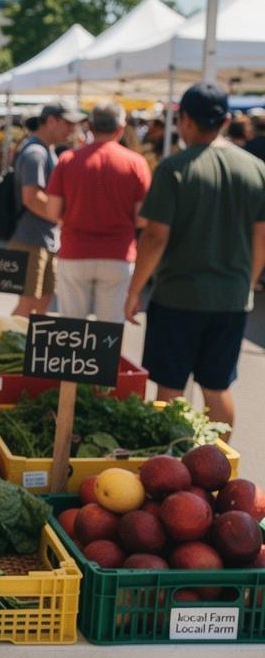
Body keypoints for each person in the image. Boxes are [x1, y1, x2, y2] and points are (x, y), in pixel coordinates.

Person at [125, 83, 265, 432]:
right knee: (217, 388)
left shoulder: (174, 168)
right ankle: (219, 460)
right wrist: (247, 283)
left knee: (170, 388)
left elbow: (155, 237)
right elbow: (261, 236)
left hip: (178, 297)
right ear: (226, 120)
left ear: (185, 120)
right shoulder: (255, 168)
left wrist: (134, 291)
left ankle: (171, 459)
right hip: (231, 298)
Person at [45, 101, 152, 323]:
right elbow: (142, 218)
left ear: (90, 127)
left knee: (71, 328)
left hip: (75, 251)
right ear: (120, 129)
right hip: (118, 254)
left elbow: (52, 210)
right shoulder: (136, 163)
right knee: (109, 332)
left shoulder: (68, 160)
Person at [8, 102, 83, 316]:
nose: (72, 129)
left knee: (41, 302)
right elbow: (31, 197)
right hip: (31, 239)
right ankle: (8, 338)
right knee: (29, 303)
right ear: (51, 121)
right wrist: (62, 219)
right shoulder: (36, 153)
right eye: (68, 123)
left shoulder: (44, 150)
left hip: (42, 238)